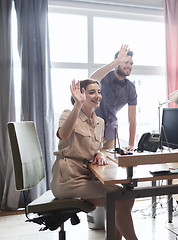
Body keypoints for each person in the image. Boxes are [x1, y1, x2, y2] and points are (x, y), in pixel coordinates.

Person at [51, 79, 138, 240]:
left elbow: (95, 147)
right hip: (68, 179)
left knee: (126, 196)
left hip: (87, 176)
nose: (97, 95)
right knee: (121, 201)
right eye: (92, 92)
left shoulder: (100, 122)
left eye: (99, 92)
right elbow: (63, 135)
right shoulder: (68, 114)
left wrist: (99, 153)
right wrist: (78, 105)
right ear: (81, 94)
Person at [91, 44, 137, 150]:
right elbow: (93, 78)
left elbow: (132, 118)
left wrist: (131, 144)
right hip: (93, 130)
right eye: (126, 62)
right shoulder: (104, 78)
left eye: (131, 63)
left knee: (109, 164)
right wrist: (116, 61)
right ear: (118, 63)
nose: (129, 66)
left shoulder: (130, 87)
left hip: (111, 133)